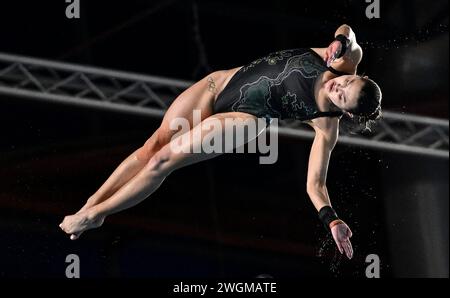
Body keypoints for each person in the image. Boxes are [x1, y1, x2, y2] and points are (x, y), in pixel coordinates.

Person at [60, 24, 382, 260]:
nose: (338, 87)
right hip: (220, 83)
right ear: (357, 75)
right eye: (348, 82)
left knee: (163, 161)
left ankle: (95, 215)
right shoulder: (343, 60)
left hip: (248, 118)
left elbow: (315, 184)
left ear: (346, 113)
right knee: (151, 148)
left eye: (342, 97)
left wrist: (332, 219)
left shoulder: (327, 126)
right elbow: (349, 33)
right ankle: (92, 205)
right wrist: (340, 40)